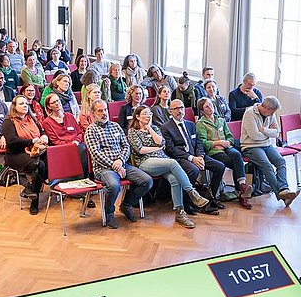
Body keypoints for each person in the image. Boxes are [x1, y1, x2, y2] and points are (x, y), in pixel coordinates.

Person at [126, 105, 209, 229]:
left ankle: (180, 213)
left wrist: (149, 128)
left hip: (162, 161)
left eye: (149, 113)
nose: (148, 116)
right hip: (145, 162)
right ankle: (191, 192)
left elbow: (161, 143)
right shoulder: (133, 131)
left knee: (175, 180)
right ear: (137, 116)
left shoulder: (154, 128)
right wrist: (156, 148)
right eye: (144, 114)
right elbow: (140, 150)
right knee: (173, 162)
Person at [84, 100, 152, 229]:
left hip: (122, 164)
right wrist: (115, 165)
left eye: (105, 109)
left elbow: (126, 146)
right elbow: (95, 154)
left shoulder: (115, 126)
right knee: (114, 186)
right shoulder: (91, 130)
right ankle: (109, 213)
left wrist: (120, 161)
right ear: (93, 113)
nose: (104, 113)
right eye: (100, 111)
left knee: (147, 181)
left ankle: (127, 205)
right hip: (103, 168)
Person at [161, 98, 225, 215]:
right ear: (170, 111)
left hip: (196, 155)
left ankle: (209, 198)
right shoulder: (166, 127)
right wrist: (192, 158)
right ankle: (188, 203)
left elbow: (198, 142)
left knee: (220, 166)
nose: (179, 111)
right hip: (181, 158)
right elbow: (171, 149)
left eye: (181, 108)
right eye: (176, 109)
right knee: (193, 170)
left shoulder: (190, 125)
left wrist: (200, 155)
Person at [240, 96, 299, 206]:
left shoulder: (270, 114)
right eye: (271, 112)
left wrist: (264, 130)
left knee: (281, 161)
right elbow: (254, 136)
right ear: (265, 107)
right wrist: (268, 134)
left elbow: (277, 133)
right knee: (267, 166)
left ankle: (284, 189)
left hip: (266, 145)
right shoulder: (249, 114)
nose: (273, 114)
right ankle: (281, 193)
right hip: (251, 146)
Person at [196, 97, 252, 208]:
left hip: (226, 147)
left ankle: (242, 187)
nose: (210, 107)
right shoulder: (200, 124)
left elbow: (230, 137)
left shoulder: (221, 120)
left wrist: (226, 142)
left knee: (237, 155)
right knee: (234, 162)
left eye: (211, 104)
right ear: (202, 110)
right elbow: (203, 143)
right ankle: (242, 191)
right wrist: (217, 142)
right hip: (214, 151)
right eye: (207, 106)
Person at [2, 94, 49, 214]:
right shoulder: (9, 122)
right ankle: (35, 201)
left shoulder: (31, 119)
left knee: (52, 160)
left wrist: (43, 136)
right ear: (14, 107)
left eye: (26, 103)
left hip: (35, 150)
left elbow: (41, 130)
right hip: (16, 154)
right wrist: (31, 141)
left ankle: (30, 188)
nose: (25, 105)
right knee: (40, 165)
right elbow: (12, 141)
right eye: (21, 103)